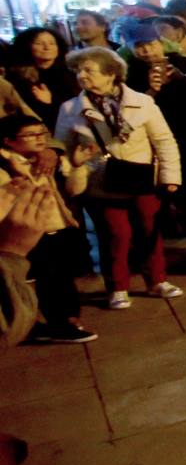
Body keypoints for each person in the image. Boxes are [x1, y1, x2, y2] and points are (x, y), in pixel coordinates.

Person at [54, 47, 184, 309]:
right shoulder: (71, 108)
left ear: (111, 74)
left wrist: (171, 176)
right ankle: (117, 286)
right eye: (79, 71)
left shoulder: (143, 102)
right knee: (115, 234)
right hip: (101, 182)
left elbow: (163, 140)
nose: (82, 75)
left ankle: (157, 279)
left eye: (89, 70)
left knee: (149, 230)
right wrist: (73, 168)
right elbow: (63, 147)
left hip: (141, 177)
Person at [0, 114, 96, 343]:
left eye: (41, 133)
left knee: (61, 276)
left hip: (58, 226)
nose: (40, 139)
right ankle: (59, 324)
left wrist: (77, 167)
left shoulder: (49, 161)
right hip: (27, 233)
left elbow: (73, 190)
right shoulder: (6, 167)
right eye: (30, 135)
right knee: (44, 278)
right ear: (9, 141)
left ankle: (65, 320)